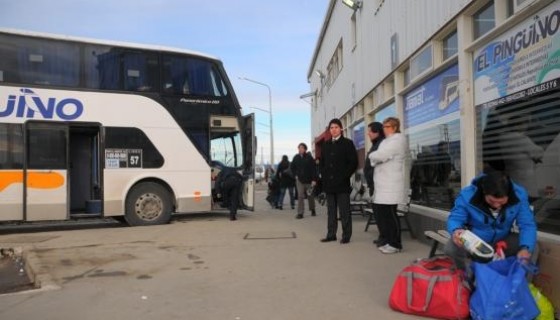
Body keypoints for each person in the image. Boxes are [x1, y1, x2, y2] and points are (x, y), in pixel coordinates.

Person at [445, 171, 537, 270]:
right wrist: (456, 230)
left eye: (501, 202)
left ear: (509, 195)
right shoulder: (467, 195)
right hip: (476, 241)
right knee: (451, 248)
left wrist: (525, 248)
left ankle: (514, 281)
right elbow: (456, 218)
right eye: (491, 201)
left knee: (531, 246)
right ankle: (466, 277)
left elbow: (527, 224)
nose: (496, 205)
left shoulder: (520, 195)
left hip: (503, 239)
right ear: (484, 192)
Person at [368, 117, 407, 254]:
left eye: (387, 126)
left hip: (391, 185)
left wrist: (374, 156)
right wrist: (376, 157)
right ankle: (389, 241)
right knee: (384, 216)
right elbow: (377, 158)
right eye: (384, 126)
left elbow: (380, 155)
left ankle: (396, 244)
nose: (384, 128)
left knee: (391, 215)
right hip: (383, 185)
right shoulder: (386, 141)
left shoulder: (398, 140)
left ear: (394, 128)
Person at [319, 118, 358, 244]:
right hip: (329, 184)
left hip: (342, 183)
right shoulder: (326, 144)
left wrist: (344, 176)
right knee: (331, 211)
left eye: (336, 127)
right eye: (331, 128)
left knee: (344, 211)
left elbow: (353, 163)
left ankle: (346, 235)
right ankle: (331, 234)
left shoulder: (347, 143)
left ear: (341, 128)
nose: (333, 130)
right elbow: (322, 163)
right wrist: (323, 176)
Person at [291, 143, 317, 219]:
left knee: (310, 196)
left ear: (305, 149)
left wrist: (314, 179)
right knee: (300, 196)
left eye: (302, 148)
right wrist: (295, 175)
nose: (300, 149)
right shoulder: (296, 157)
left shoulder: (309, 158)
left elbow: (313, 169)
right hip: (300, 181)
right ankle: (300, 213)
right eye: (299, 148)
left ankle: (312, 209)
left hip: (309, 181)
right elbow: (292, 167)